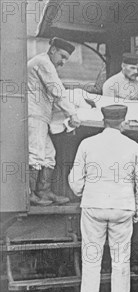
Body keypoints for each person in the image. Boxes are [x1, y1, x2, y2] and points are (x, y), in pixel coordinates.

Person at [69, 105, 138, 292]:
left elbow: (75, 180)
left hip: (94, 205)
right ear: (123, 122)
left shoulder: (87, 144)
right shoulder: (133, 146)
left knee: (91, 256)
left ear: (103, 120)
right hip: (122, 206)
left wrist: (84, 193)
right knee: (121, 257)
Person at [27, 37, 81, 206]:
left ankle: (43, 191)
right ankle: (28, 195)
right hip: (34, 114)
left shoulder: (45, 63)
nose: (63, 62)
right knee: (35, 153)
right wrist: (72, 114)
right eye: (62, 56)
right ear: (53, 50)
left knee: (49, 155)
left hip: (41, 115)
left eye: (66, 58)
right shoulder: (43, 62)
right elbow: (57, 90)